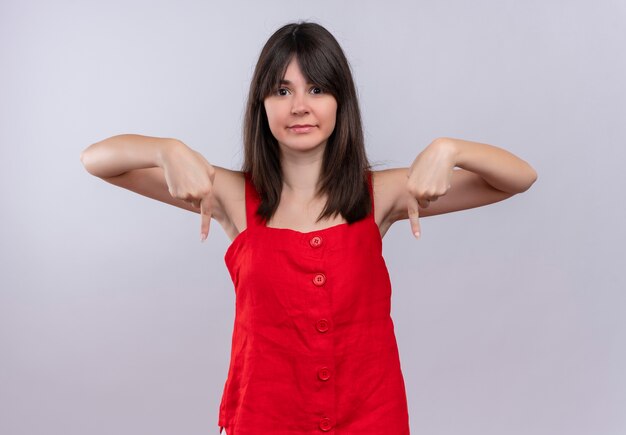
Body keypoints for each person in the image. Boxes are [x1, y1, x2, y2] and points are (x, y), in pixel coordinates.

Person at [80, 21, 537, 435]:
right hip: (262, 421)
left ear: (341, 101)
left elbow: (518, 178)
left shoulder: (383, 194)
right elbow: (98, 161)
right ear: (261, 105)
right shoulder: (230, 196)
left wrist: (450, 148)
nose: (299, 106)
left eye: (316, 88)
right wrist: (166, 149)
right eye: (281, 91)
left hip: (371, 420)